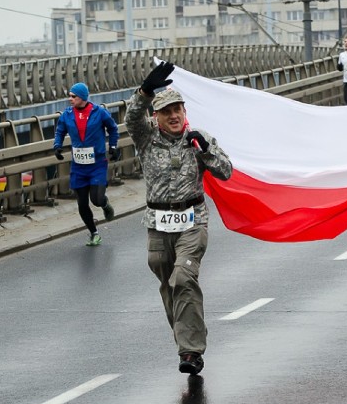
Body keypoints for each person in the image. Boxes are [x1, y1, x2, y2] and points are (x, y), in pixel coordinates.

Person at [125, 62, 233, 375]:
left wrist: (206, 150)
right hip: (158, 225)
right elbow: (132, 118)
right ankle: (185, 340)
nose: (174, 116)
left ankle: (190, 351)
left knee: (183, 278)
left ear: (185, 112)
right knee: (169, 285)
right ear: (156, 117)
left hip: (193, 221)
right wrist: (145, 92)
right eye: (166, 111)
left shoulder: (199, 139)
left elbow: (226, 171)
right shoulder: (146, 139)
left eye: (178, 110)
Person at [53, 82, 120, 246]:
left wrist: (112, 146)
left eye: (73, 96)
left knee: (96, 199)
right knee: (82, 203)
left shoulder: (99, 112)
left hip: (97, 164)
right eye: (69, 95)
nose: (70, 99)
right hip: (78, 166)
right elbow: (60, 131)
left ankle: (105, 204)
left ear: (82, 97)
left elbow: (113, 128)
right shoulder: (67, 114)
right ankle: (94, 232)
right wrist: (57, 146)